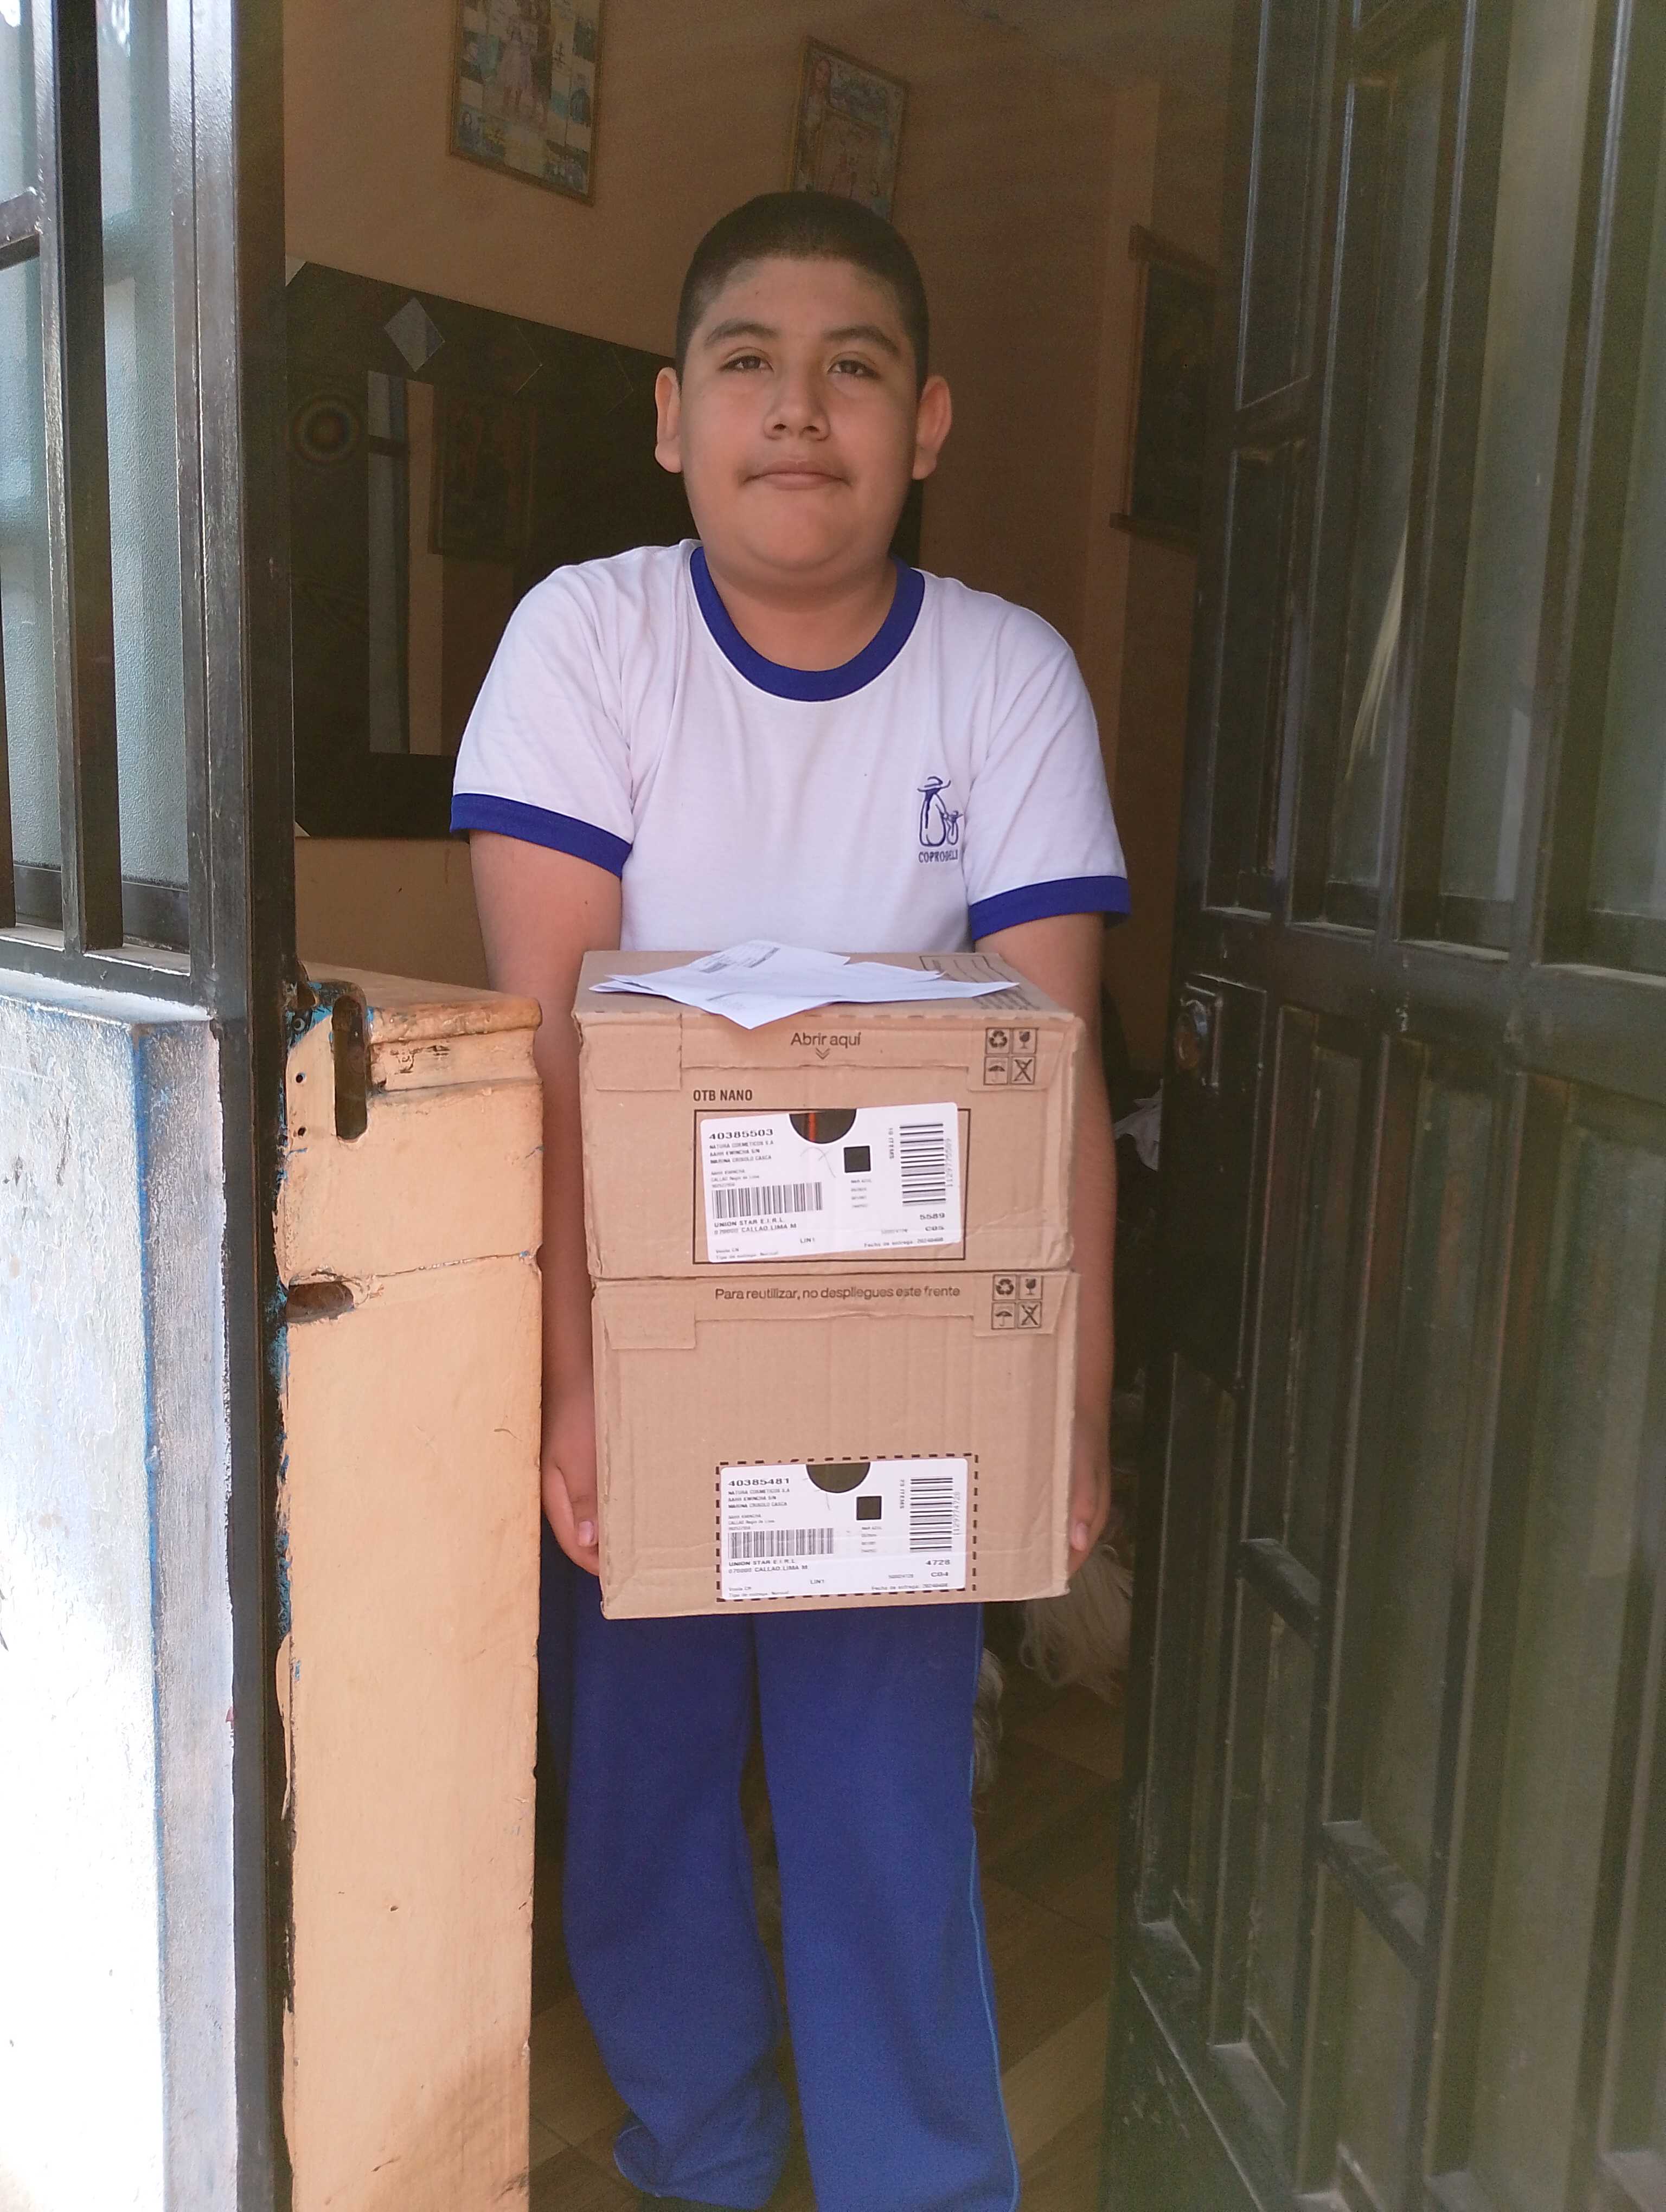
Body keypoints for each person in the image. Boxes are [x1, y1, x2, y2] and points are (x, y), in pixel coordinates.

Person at [452, 190, 1127, 2212]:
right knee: (642, 1787)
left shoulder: (1004, 676)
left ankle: (923, 2178)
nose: (800, 410)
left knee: (881, 1792)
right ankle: (706, 2146)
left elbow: (1052, 1078)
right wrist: (577, 1385)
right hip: (639, 1330)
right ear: (674, 415)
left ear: (928, 422)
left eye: (855, 369)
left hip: (903, 1346)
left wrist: (1069, 1403)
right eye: (748, 363)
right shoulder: (589, 640)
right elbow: (545, 1050)